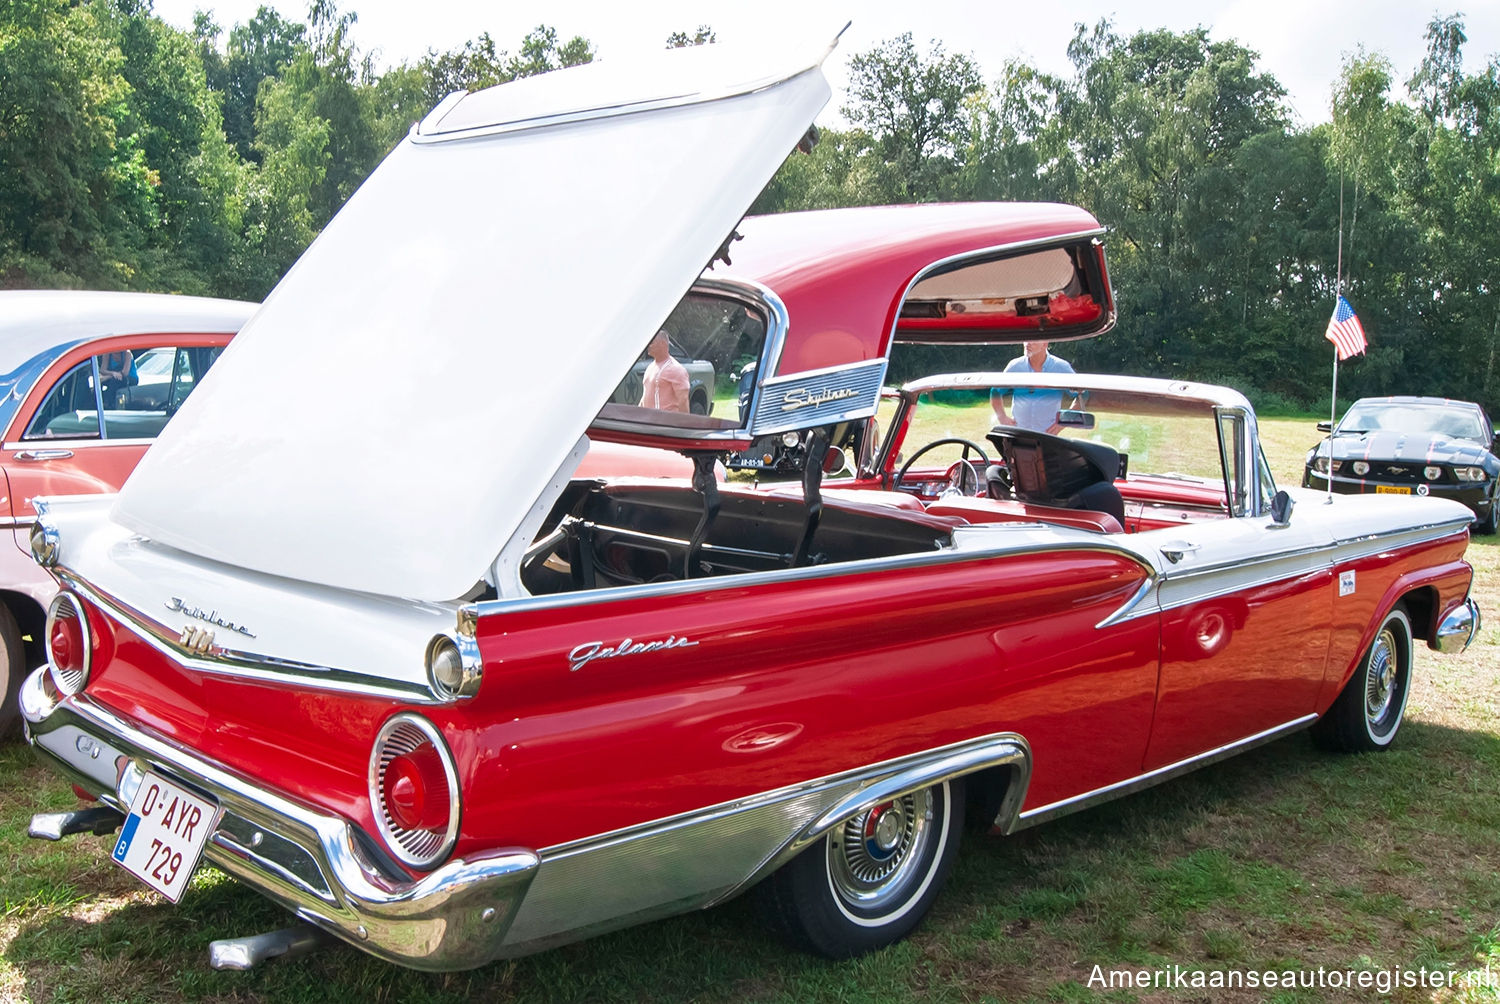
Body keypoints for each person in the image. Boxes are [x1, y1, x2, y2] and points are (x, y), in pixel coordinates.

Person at [991, 340, 1074, 434]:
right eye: (1025, 339)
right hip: (1017, 435)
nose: (1027, 343)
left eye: (1033, 340)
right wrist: (1002, 417)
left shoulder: (1060, 367)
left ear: (1045, 344)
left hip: (1047, 437)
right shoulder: (1015, 366)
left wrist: (1063, 422)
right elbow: (995, 391)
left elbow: (1082, 395)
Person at [638, 329, 690, 413]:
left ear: (662, 344)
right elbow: (644, 397)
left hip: (665, 423)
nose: (648, 345)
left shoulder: (676, 369)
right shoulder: (650, 367)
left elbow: (683, 400)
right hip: (648, 423)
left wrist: (683, 423)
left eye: (651, 342)